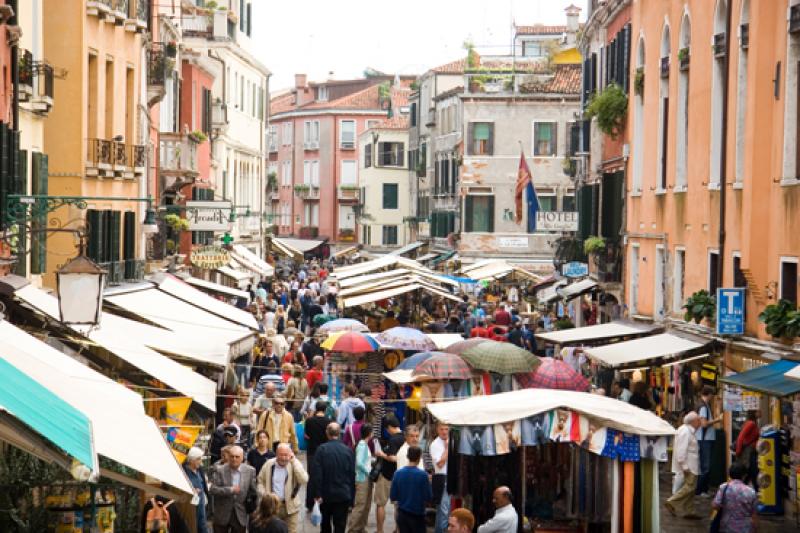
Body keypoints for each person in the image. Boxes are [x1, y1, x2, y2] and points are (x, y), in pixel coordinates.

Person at [311, 423, 355, 533]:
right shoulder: (348, 451)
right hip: (343, 495)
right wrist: (352, 497)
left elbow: (316, 474)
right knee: (340, 526)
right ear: (339, 433)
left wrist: (317, 494)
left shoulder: (321, 450)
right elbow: (352, 474)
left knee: (325, 525)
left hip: (325, 495)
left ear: (327, 433)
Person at [257, 443, 308, 533]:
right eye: (281, 455)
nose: (284, 458)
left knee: (291, 531)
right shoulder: (269, 464)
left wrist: (294, 462)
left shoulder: (294, 463)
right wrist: (265, 494)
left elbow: (304, 480)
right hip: (273, 506)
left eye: (286, 455)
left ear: (290, 454)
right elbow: (260, 482)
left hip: (291, 507)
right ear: (276, 454)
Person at [209, 445, 258, 533]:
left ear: (242, 458)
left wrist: (254, 508)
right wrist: (230, 490)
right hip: (222, 514)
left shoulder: (250, 471)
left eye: (237, 457)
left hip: (240, 514)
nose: (234, 459)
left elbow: (254, 491)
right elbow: (213, 489)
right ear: (228, 457)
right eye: (232, 456)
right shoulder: (220, 470)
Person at [665, 411, 702, 519]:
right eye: (698, 420)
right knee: (689, 487)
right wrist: (684, 466)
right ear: (694, 421)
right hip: (689, 466)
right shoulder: (685, 431)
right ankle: (672, 501)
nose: (700, 422)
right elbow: (681, 450)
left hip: (691, 465)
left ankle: (689, 511)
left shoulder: (687, 431)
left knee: (691, 489)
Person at [390, 445, 432, 533]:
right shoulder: (423, 475)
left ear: (407, 456)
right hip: (418, 515)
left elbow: (393, 496)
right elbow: (428, 497)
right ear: (419, 457)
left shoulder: (397, 473)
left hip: (402, 514)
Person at [373, 415, 404, 533]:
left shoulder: (393, 440)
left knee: (380, 504)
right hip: (400, 475)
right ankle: (397, 529)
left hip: (387, 475)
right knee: (398, 505)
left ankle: (380, 530)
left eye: (387, 429)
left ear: (390, 427)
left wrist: (381, 454)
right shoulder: (405, 437)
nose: (387, 431)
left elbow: (392, 457)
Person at [711, 463, 759, 533]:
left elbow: (715, 505)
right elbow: (754, 515)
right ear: (744, 476)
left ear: (730, 474)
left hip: (726, 527)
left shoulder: (724, 487)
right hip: (745, 529)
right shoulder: (751, 492)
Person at [304, 400, 334, 511]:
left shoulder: (310, 421)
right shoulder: (329, 422)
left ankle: (310, 503)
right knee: (325, 477)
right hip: (326, 452)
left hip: (312, 452)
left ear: (316, 409)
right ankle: (323, 501)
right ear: (325, 410)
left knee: (311, 477)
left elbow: (306, 435)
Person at [348, 424, 375, 533]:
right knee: (360, 505)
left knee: (366, 504)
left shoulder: (364, 444)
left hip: (366, 478)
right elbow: (359, 463)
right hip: (362, 478)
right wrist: (368, 471)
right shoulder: (362, 445)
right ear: (369, 433)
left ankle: (361, 527)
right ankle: (353, 529)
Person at [696, 385, 723, 496]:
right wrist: (717, 419)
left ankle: (702, 489)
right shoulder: (703, 407)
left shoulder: (703, 405)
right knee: (705, 466)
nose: (713, 398)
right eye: (712, 395)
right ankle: (701, 490)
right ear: (709, 394)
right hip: (704, 439)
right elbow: (704, 424)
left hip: (705, 438)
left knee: (704, 465)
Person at [429, 422, 450, 533]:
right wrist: (447, 449)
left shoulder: (449, 441)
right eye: (442, 429)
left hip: (448, 477)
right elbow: (440, 464)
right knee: (443, 510)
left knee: (445, 510)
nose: (444, 431)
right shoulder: (435, 444)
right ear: (437, 429)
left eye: (446, 429)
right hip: (441, 478)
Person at [183, 447, 209, 533]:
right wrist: (191, 491)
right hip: (190, 509)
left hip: (201, 507)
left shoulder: (199, 471)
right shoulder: (184, 473)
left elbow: (203, 486)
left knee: (202, 525)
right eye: (198, 459)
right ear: (191, 460)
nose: (201, 461)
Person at [735, 410, 760, 487]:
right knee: (751, 470)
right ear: (754, 413)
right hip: (748, 451)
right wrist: (738, 451)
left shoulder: (752, 423)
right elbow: (740, 437)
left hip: (750, 450)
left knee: (750, 471)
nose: (760, 412)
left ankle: (745, 487)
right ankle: (750, 488)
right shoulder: (751, 423)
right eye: (758, 411)